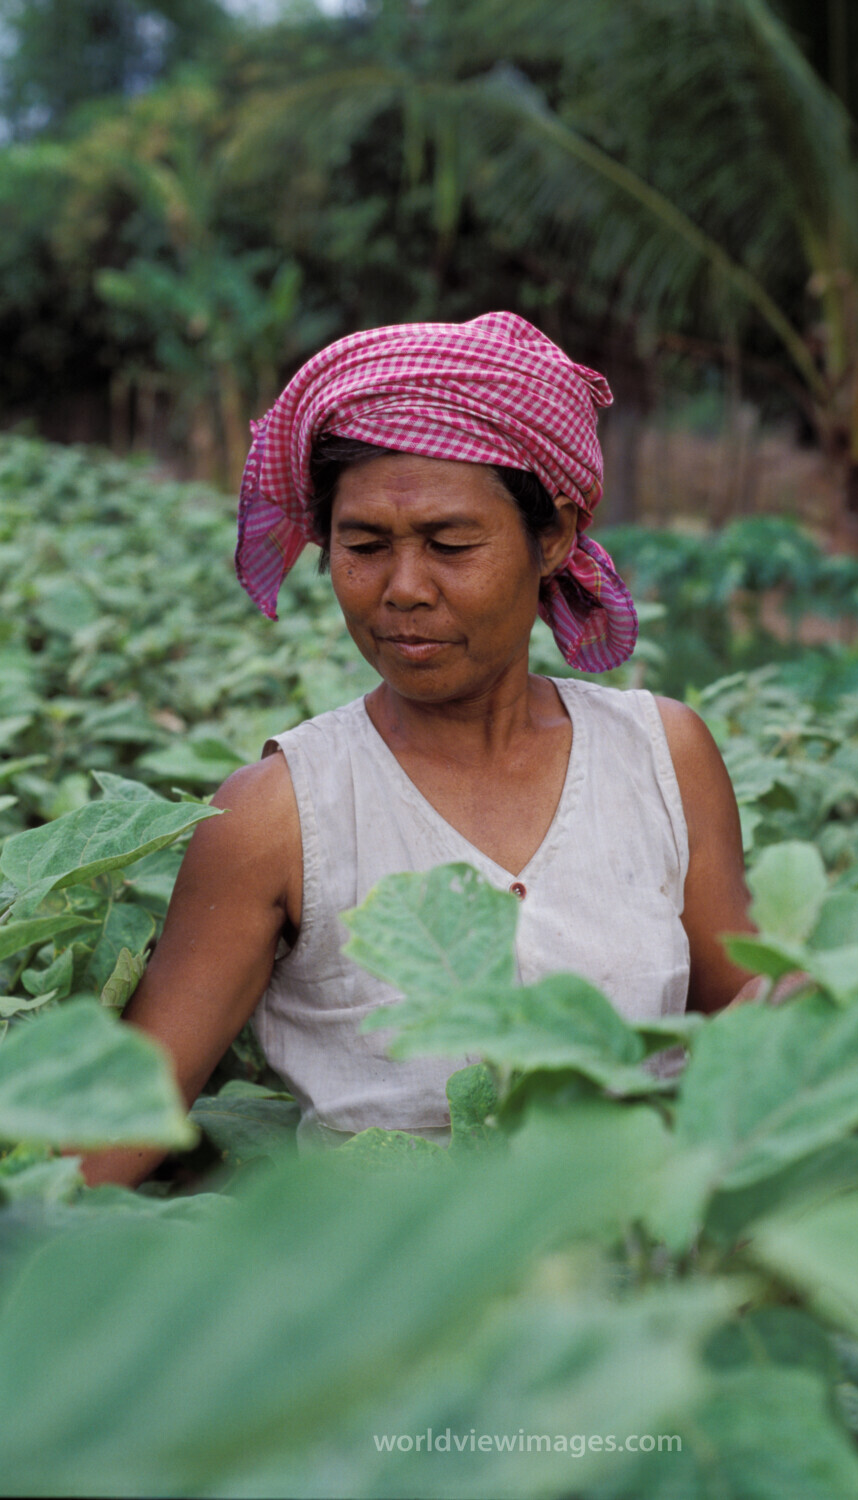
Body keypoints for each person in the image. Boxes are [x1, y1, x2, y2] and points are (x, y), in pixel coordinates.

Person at [82, 312, 757, 1187]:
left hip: (641, 1277)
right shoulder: (279, 815)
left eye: (450, 545)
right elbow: (116, 1134)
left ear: (550, 537)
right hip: (392, 1300)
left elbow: (744, 1027)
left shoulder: (661, 757)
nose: (402, 590)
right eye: (362, 547)